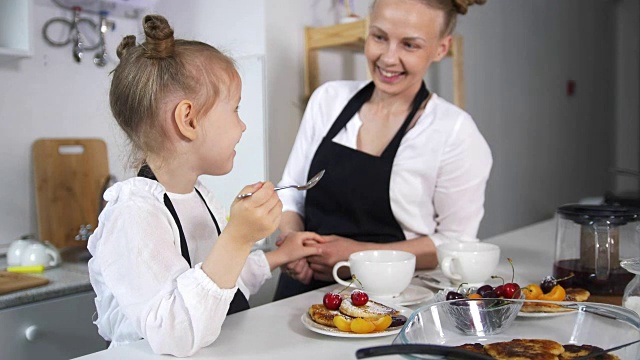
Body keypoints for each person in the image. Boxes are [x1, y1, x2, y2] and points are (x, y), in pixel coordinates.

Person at [87, 15, 320, 356]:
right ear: (189, 120)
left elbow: (217, 282)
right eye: (235, 109)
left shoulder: (199, 196)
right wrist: (237, 237)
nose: (242, 126)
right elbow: (174, 333)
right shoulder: (133, 214)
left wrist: (280, 255)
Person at [274, 0, 492, 300]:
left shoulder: (454, 132)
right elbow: (291, 194)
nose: (389, 58)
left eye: (410, 45)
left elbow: (456, 242)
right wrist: (293, 243)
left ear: (441, 49)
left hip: (392, 301)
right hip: (300, 296)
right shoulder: (328, 100)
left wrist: (359, 257)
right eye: (379, 37)